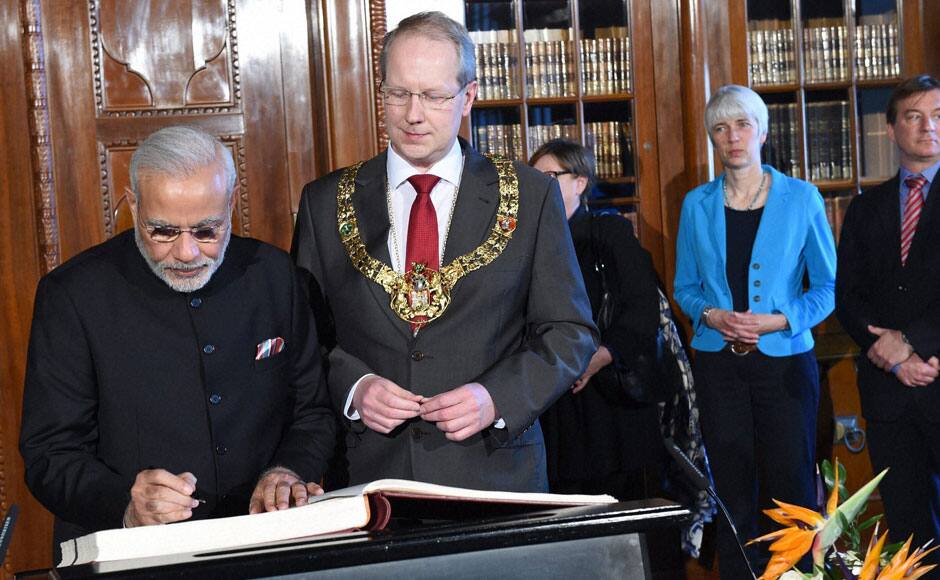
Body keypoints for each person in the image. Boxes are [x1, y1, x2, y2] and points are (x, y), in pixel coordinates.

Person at [291, 12, 596, 493]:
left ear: (468, 97)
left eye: (433, 96)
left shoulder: (530, 194)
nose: (413, 114)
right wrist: (354, 388)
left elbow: (570, 332)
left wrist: (496, 398)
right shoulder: (324, 202)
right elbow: (305, 338)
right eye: (398, 93)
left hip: (495, 475)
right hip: (369, 477)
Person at [19, 126, 335, 558]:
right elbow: (49, 455)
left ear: (231, 203)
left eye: (207, 231)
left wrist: (286, 471)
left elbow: (312, 412)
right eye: (163, 231)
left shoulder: (274, 276)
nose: (186, 253)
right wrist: (126, 505)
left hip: (265, 547)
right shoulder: (74, 295)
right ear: (133, 204)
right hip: (131, 557)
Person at [674, 85, 836, 578]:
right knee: (732, 492)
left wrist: (779, 319)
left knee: (790, 490)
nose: (732, 137)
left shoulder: (802, 197)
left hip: (785, 366)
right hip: (720, 367)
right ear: (713, 140)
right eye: (721, 128)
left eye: (742, 125)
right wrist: (713, 316)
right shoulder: (695, 204)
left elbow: (826, 288)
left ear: (762, 132)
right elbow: (685, 288)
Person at [835, 74, 940, 558]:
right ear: (892, 129)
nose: (928, 127)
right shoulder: (865, 207)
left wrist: (914, 343)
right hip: (887, 392)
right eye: (914, 117)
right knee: (908, 528)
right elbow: (847, 295)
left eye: (937, 116)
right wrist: (893, 359)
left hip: (937, 372)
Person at [529, 139, 664, 499]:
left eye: (549, 176)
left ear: (581, 182)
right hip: (553, 402)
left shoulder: (609, 234)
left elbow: (642, 310)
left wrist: (597, 358)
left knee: (619, 512)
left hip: (609, 401)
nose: (539, 185)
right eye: (533, 176)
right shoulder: (527, 242)